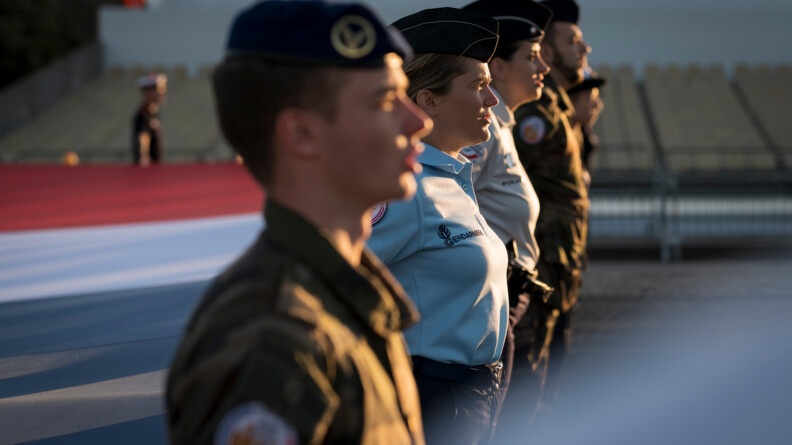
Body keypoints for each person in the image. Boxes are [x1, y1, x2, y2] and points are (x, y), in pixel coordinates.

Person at [165, 1, 433, 444]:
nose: (419, 120)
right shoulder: (269, 335)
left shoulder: (338, 293)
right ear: (301, 134)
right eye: (385, 100)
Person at [366, 7, 508, 445]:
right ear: (428, 100)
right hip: (434, 396)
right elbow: (330, 283)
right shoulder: (405, 189)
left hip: (471, 392)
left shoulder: (450, 177)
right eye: (479, 86)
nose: (493, 101)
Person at [458, 0, 554, 434]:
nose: (544, 67)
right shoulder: (486, 130)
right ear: (497, 66)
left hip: (509, 293)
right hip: (496, 296)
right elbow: (458, 199)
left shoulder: (502, 125)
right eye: (532, 57)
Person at [506, 0, 592, 431]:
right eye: (571, 41)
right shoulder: (536, 113)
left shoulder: (559, 106)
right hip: (540, 268)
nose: (584, 50)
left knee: (545, 386)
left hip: (561, 266)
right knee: (526, 391)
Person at [567, 67, 606, 184]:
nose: (598, 105)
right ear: (570, 100)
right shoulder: (555, 134)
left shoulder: (582, 133)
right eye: (591, 97)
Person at [131, 72, 167, 165]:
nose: (162, 93)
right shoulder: (143, 114)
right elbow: (143, 139)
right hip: (148, 171)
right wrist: (143, 158)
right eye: (159, 90)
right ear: (148, 92)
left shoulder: (154, 112)